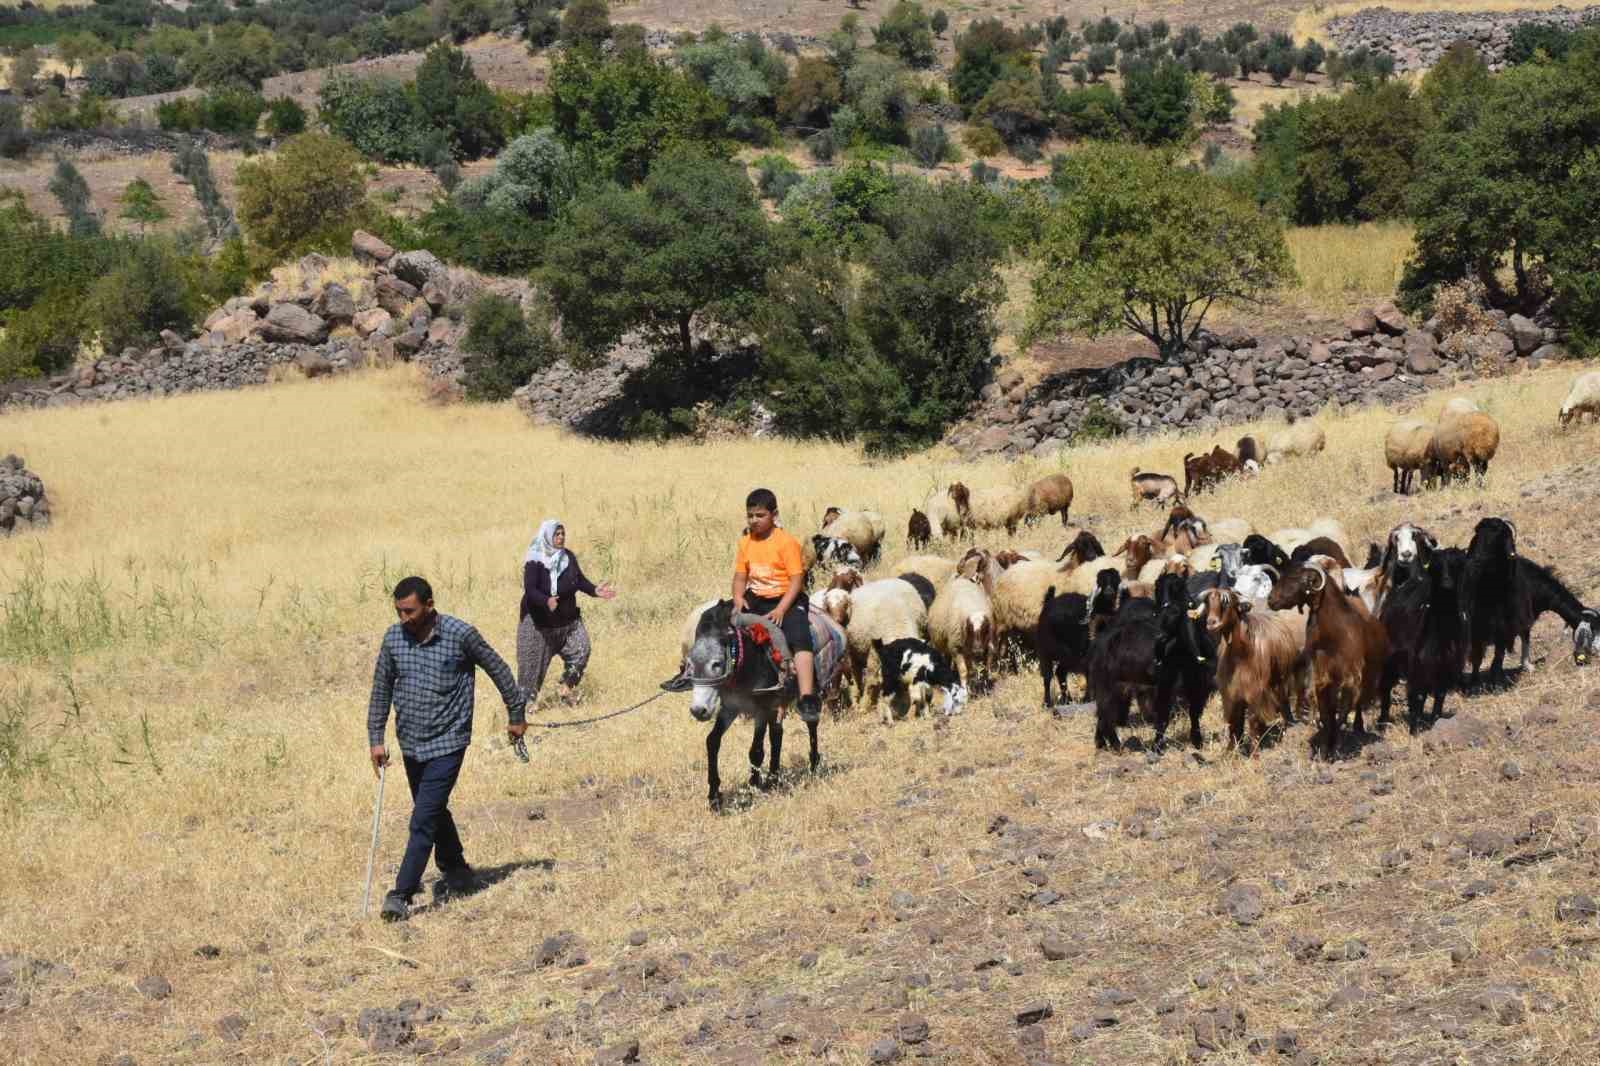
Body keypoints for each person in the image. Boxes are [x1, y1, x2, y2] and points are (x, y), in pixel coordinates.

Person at [367, 575, 526, 923]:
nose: (403, 618)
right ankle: (455, 868)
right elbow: (381, 688)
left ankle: (400, 894)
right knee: (433, 810)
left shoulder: (460, 634)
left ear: (429, 605)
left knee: (422, 819)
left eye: (409, 611)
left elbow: (498, 669)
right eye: (398, 611)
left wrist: (516, 714)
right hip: (410, 742)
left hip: (449, 741)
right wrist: (376, 738)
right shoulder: (394, 638)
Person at [732, 488, 820, 721]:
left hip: (786, 598)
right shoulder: (745, 543)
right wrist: (739, 598)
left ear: (774, 515)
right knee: (729, 629)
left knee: (800, 636)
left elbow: (797, 580)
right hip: (757, 597)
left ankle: (807, 697)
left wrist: (781, 609)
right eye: (750, 515)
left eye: (760, 515)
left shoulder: (786, 543)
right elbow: (740, 577)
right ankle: (733, 688)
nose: (754, 520)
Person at [518, 519, 616, 707]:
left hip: (568, 623)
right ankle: (525, 712)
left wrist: (595, 590)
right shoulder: (535, 561)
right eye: (557, 534)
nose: (561, 537)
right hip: (539, 627)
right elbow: (530, 590)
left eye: (563, 534)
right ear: (547, 536)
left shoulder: (567, 557)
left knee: (582, 650)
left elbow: (578, 581)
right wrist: (546, 600)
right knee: (529, 676)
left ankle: (565, 687)